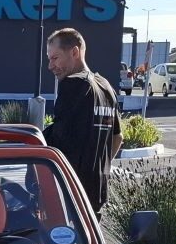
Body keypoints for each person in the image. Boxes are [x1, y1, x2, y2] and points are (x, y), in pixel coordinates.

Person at [44, 28, 122, 216]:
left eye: (55, 58)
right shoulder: (105, 87)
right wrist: (97, 168)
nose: (50, 66)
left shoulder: (74, 84)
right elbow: (117, 137)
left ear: (74, 52)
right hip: (97, 194)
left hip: (69, 194)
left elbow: (57, 141)